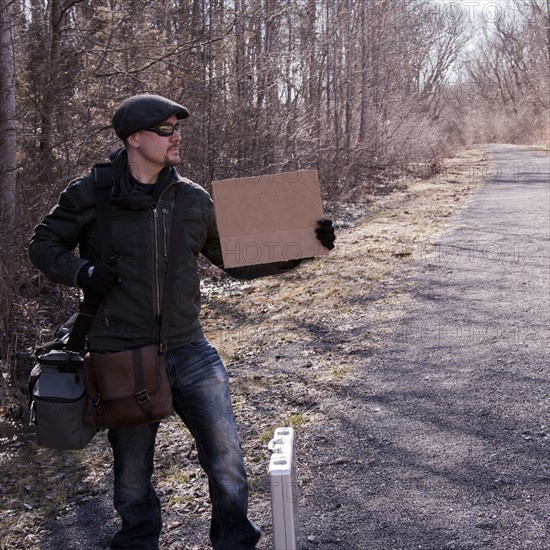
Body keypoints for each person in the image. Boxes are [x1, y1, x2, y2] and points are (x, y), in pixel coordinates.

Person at [29, 94, 336, 549]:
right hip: (120, 353)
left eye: (178, 128)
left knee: (227, 454)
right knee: (132, 471)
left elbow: (234, 258)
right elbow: (43, 245)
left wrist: (300, 247)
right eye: (166, 129)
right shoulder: (90, 194)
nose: (177, 137)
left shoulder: (192, 198)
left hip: (189, 348)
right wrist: (83, 271)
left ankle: (234, 540)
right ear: (135, 138)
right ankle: (138, 541)